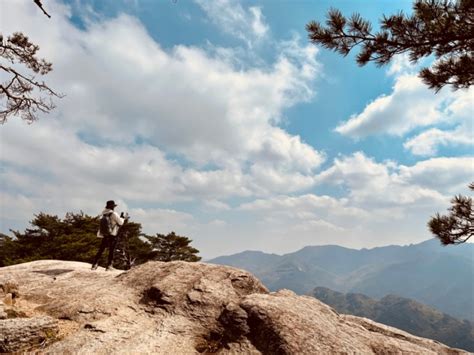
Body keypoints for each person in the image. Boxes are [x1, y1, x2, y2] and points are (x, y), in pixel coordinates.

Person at [91, 200, 126, 271]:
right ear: (112, 207)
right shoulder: (114, 213)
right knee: (111, 250)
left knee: (101, 249)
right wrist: (122, 217)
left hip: (104, 234)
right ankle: (109, 266)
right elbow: (120, 223)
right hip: (112, 234)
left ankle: (94, 264)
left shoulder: (103, 212)